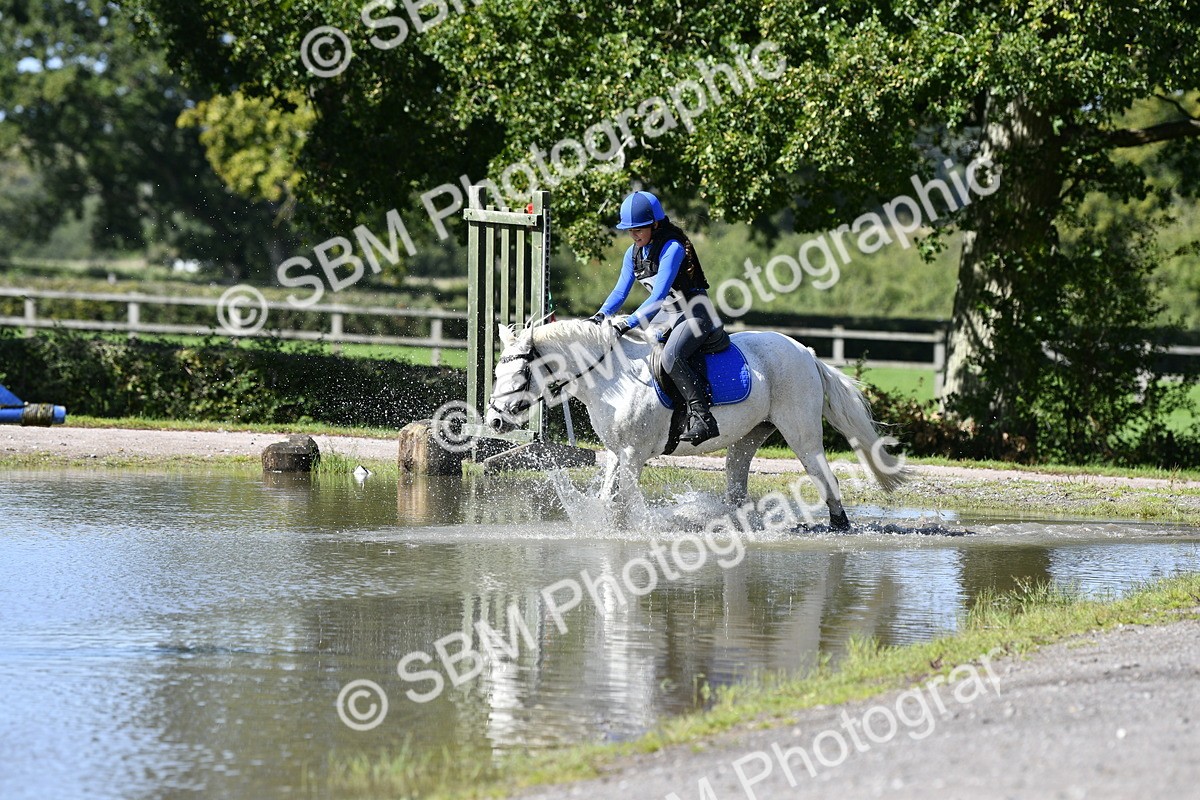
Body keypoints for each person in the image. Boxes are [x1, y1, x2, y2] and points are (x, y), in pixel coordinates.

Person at [589, 190, 725, 445]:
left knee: (671, 356)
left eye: (639, 229)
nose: (634, 235)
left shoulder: (672, 248)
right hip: (670, 316)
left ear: (654, 223)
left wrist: (627, 323)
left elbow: (659, 296)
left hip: (696, 313)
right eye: (630, 231)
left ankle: (703, 417)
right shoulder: (633, 254)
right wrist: (600, 316)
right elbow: (620, 291)